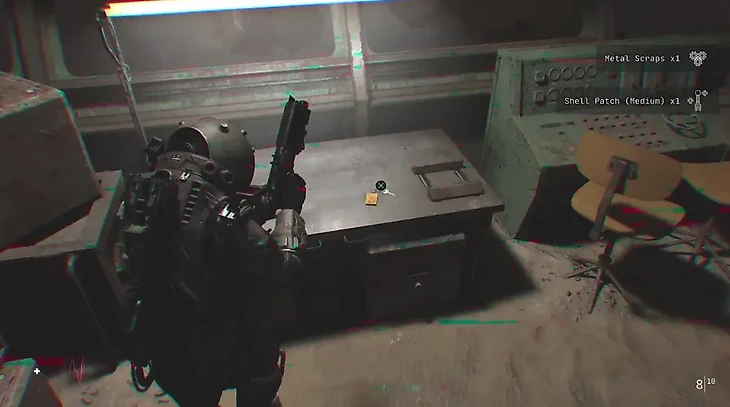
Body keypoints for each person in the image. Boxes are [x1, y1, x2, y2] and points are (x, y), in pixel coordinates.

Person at [122, 116, 307, 407]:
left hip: (163, 353)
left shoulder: (148, 192)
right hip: (215, 351)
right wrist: (289, 212)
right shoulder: (219, 214)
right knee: (266, 316)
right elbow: (282, 264)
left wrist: (260, 205)